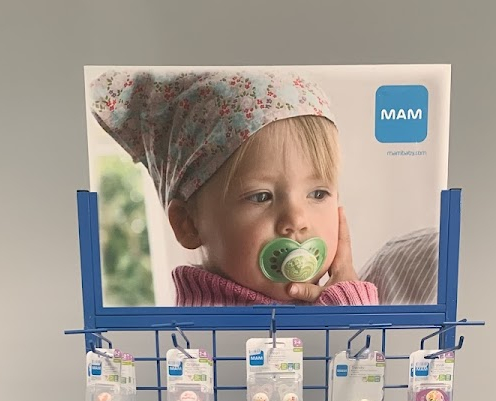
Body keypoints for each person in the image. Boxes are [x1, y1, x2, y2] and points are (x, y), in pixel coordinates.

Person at [90, 69, 378, 307]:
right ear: (189, 223)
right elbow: (357, 353)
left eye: (318, 194)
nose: (297, 220)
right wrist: (349, 311)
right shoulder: (208, 327)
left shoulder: (318, 304)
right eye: (261, 196)